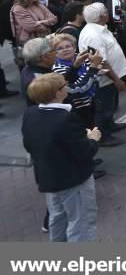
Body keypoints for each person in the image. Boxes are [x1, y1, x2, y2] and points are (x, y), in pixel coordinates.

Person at [22, 73, 101, 241]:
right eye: (64, 84)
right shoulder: (66, 119)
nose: (67, 86)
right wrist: (92, 138)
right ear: (58, 93)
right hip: (73, 180)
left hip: (48, 178)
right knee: (81, 222)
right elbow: (85, 152)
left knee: (57, 218)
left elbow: (30, 145)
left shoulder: (30, 114)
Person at [78, 3, 126, 147]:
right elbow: (101, 61)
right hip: (104, 79)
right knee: (104, 108)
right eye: (106, 11)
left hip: (110, 78)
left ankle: (110, 125)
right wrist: (116, 80)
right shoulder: (93, 35)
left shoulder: (99, 29)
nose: (109, 13)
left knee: (110, 104)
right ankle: (103, 136)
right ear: (102, 16)